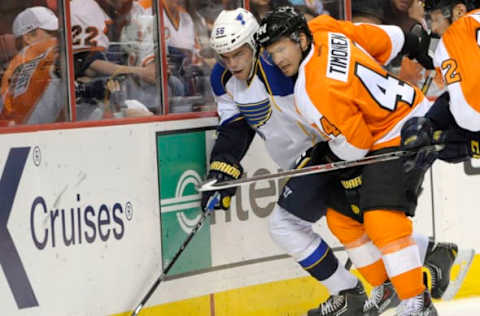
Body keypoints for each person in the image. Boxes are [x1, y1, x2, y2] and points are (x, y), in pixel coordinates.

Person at [204, 7, 459, 316]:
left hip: (337, 147)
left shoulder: (292, 72)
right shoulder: (229, 77)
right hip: (337, 146)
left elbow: (346, 126)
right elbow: (235, 125)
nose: (232, 63)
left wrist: (410, 42)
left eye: (239, 53)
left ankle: (361, 293)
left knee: (291, 223)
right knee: (347, 218)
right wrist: (223, 164)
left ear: (255, 43)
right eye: (224, 57)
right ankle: (424, 255)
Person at [400, 1, 480, 169]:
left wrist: (435, 131)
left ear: (459, 11)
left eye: (434, 20)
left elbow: (470, 115)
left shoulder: (457, 32)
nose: (434, 29)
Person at [0, 6, 64, 125]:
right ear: (28, 37)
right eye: (50, 32)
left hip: (15, 135)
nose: (58, 37)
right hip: (46, 134)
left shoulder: (12, 67)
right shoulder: (53, 52)